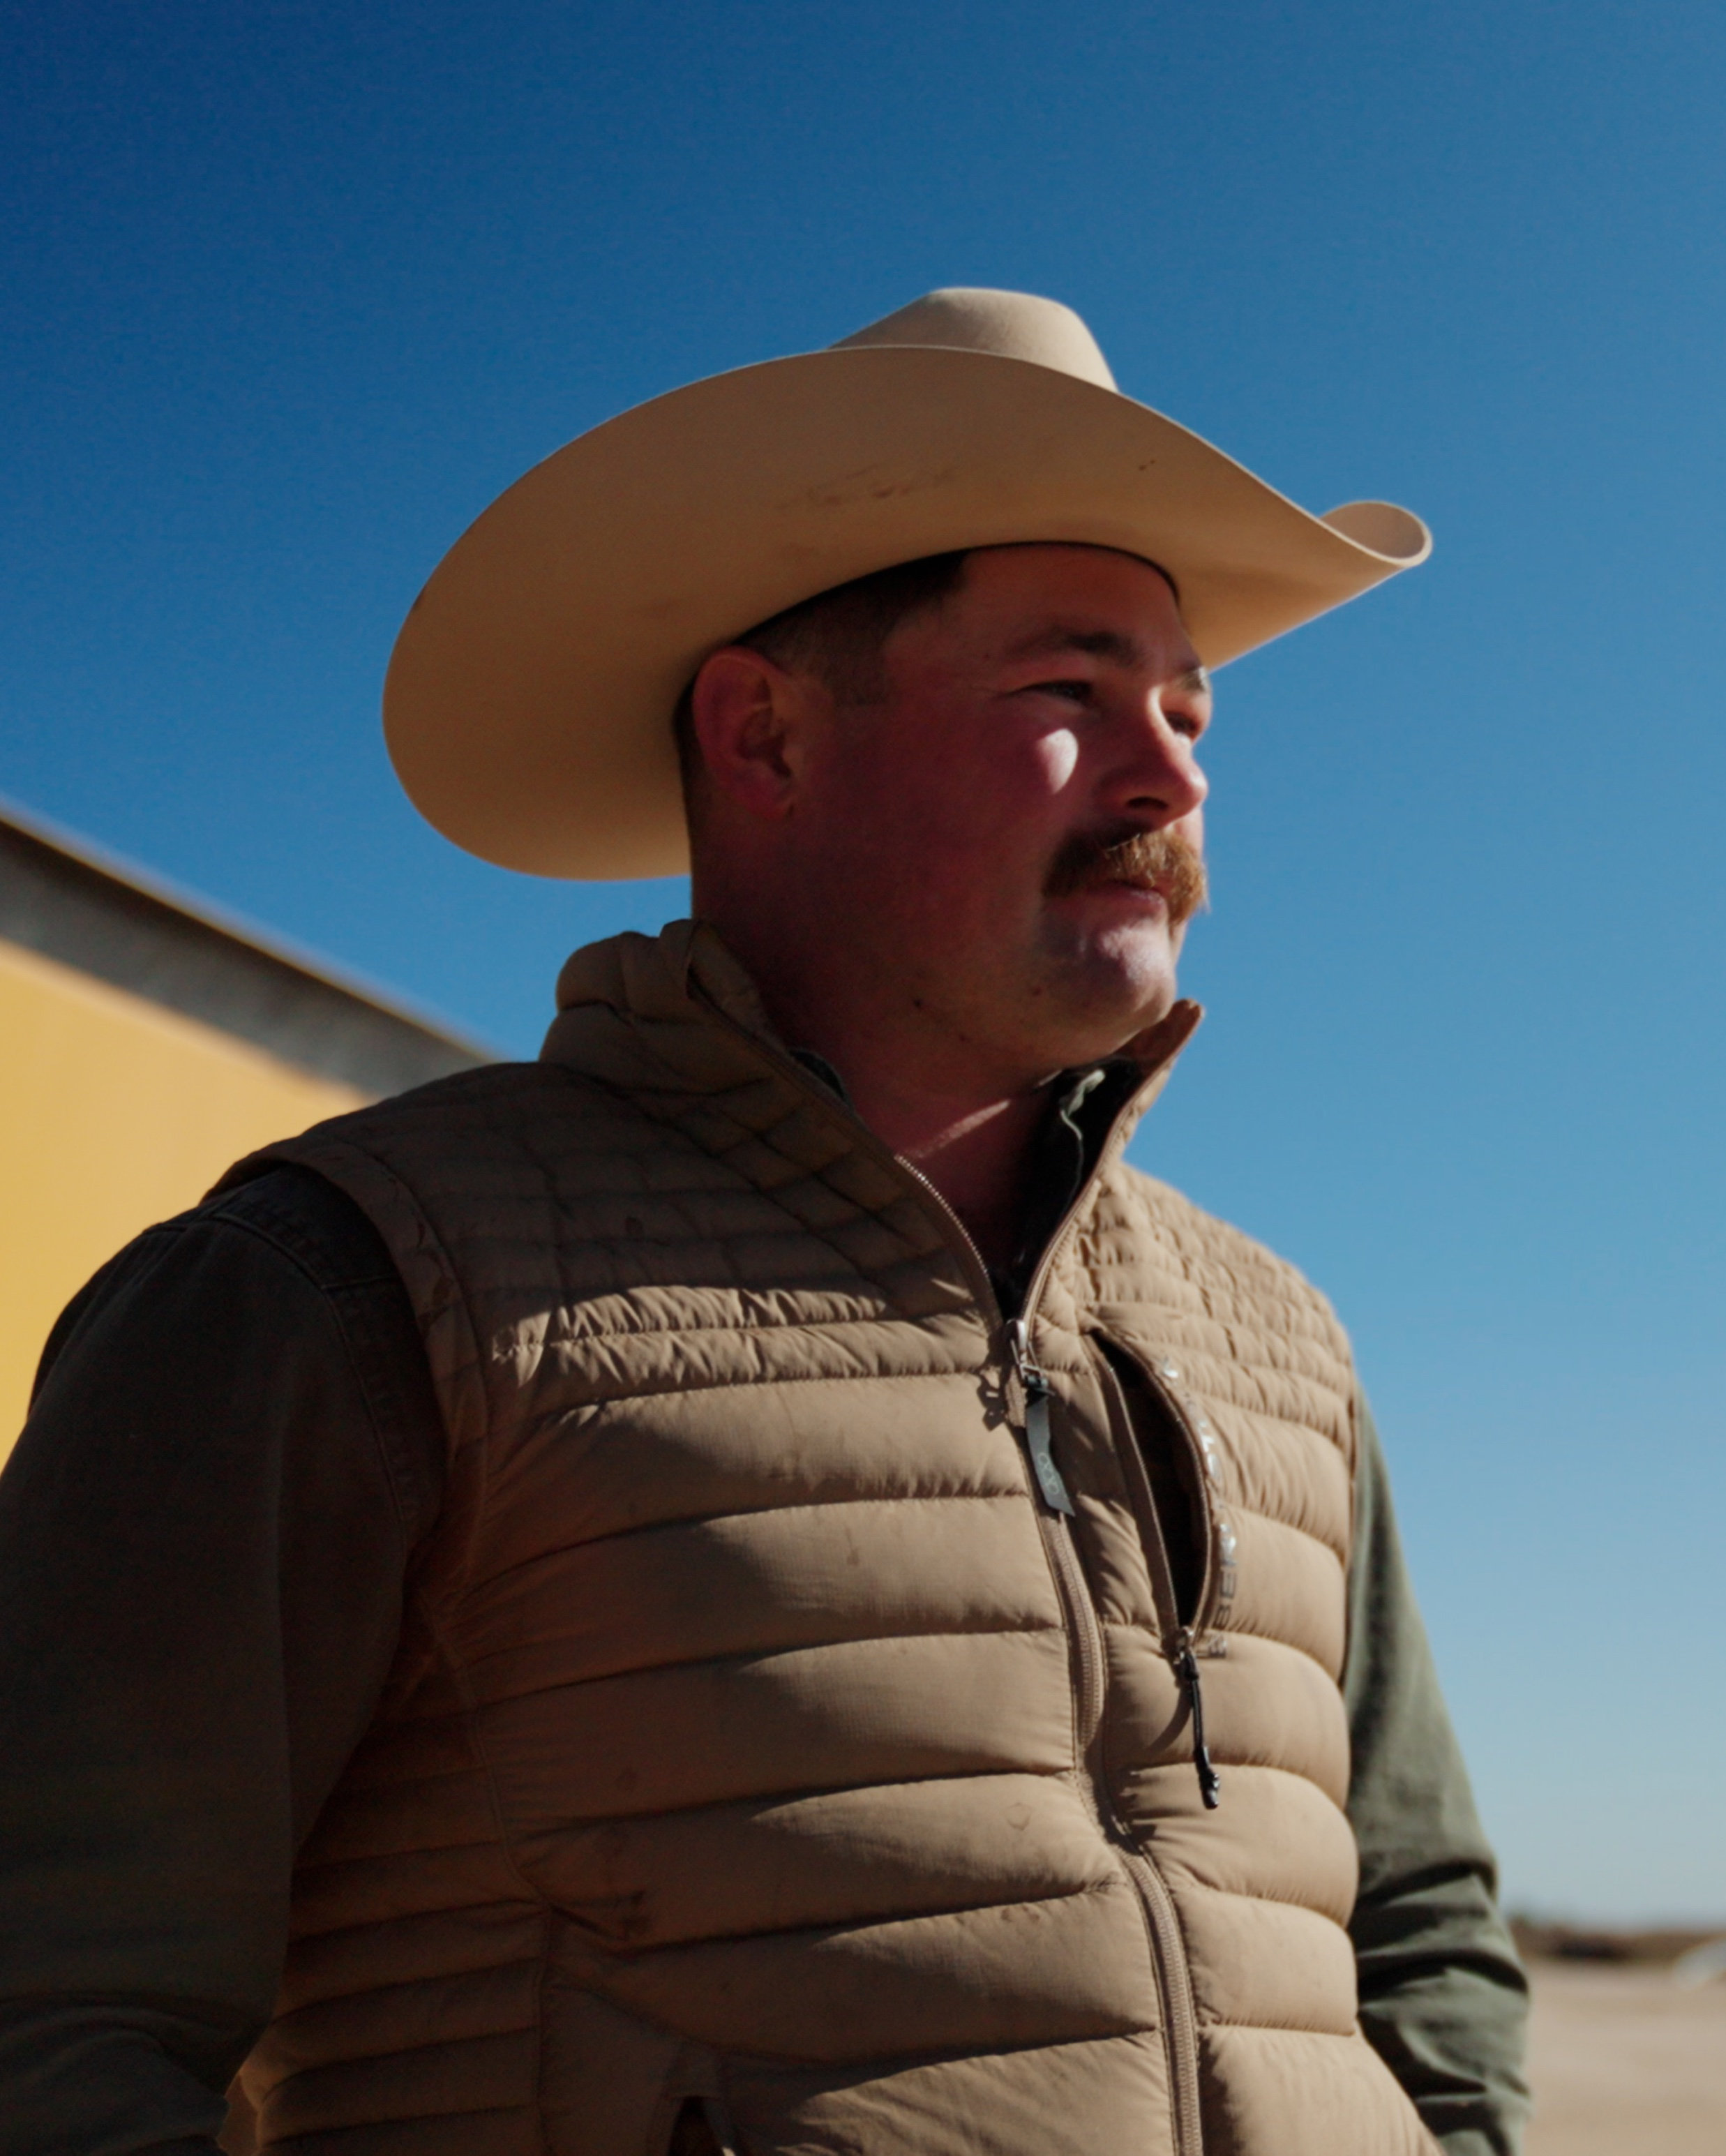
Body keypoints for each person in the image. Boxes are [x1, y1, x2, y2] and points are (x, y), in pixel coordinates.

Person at [0, 289, 1529, 2156]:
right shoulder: (345, 1282)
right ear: (766, 737)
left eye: (1186, 708)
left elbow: (1424, 1940)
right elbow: (54, 2014)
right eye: (1069, 694)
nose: (1171, 774)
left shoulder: (1278, 1347)